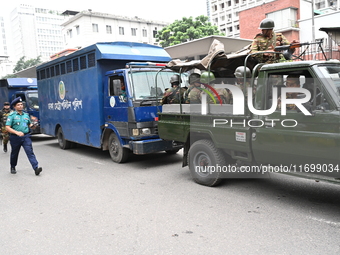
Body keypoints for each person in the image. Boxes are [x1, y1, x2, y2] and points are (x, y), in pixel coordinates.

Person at [5, 97, 42, 175]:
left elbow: (29, 124)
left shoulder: (26, 115)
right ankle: (13, 166)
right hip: (15, 137)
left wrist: (33, 126)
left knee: (30, 152)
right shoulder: (12, 115)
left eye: (21, 104)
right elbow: (7, 127)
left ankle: (36, 168)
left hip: (26, 136)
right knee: (15, 153)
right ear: (14, 106)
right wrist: (16, 132)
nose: (21, 106)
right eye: (18, 105)